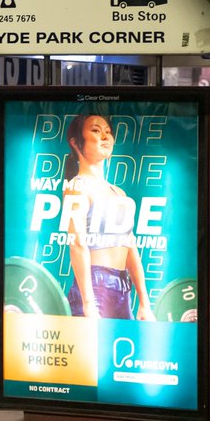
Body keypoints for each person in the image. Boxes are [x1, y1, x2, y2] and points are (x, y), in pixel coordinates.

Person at [62, 112, 154, 321]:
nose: (105, 137)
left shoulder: (119, 193)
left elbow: (131, 248)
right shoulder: (77, 187)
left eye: (108, 132)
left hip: (122, 288)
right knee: (96, 352)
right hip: (95, 285)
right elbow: (77, 245)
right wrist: (88, 302)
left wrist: (144, 303)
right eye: (95, 130)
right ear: (76, 143)